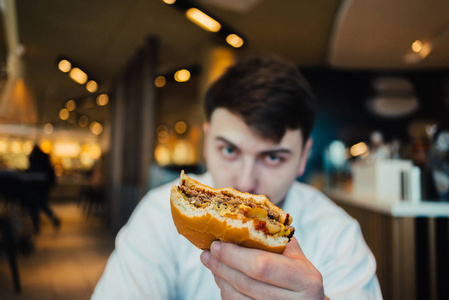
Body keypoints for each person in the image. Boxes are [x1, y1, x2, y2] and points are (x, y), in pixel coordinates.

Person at [92, 54, 382, 299]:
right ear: (206, 142)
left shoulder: (337, 235)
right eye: (229, 149)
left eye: (272, 157)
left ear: (304, 156)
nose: (245, 183)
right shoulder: (157, 217)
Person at [25, 144, 60, 233]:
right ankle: (42, 223)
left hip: (35, 188)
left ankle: (36, 226)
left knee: (37, 206)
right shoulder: (44, 161)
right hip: (42, 188)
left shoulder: (35, 161)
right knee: (41, 205)